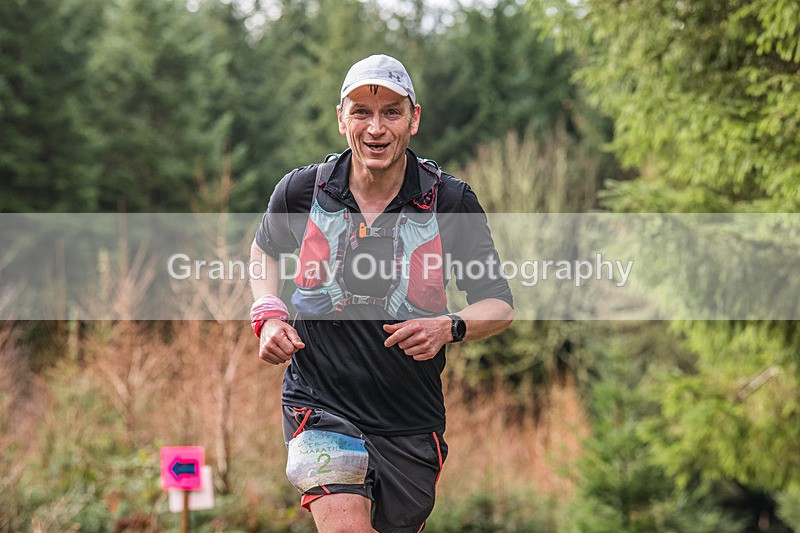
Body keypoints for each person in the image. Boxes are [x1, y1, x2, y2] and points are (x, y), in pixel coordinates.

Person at [249, 54, 513, 533]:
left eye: (391, 111)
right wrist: (268, 314)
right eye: (361, 112)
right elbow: (263, 251)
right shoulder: (302, 191)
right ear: (340, 118)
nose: (376, 128)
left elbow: (499, 303)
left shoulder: (451, 202)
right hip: (319, 401)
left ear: (415, 118)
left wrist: (448, 327)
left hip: (410, 419)